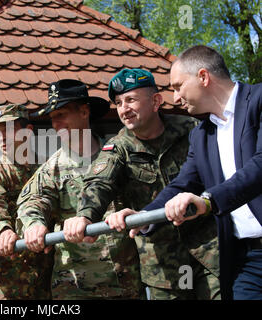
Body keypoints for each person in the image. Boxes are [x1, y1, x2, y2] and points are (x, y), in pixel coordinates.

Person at [112, 46, 262, 300]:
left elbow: (259, 166)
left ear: (203, 77)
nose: (175, 97)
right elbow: (183, 184)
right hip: (247, 257)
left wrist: (208, 201)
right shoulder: (201, 134)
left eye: (178, 86)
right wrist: (145, 215)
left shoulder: (259, 101)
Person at [73, 68, 220, 300]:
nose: (124, 109)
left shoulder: (191, 130)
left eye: (130, 100)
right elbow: (98, 183)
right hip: (163, 264)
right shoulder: (119, 147)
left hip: (210, 252)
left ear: (156, 101)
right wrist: (85, 216)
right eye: (119, 103)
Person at [17, 79, 143, 299]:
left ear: (84, 112)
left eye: (61, 115)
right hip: (73, 284)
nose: (56, 124)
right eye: (52, 118)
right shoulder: (52, 168)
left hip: (124, 280)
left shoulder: (121, 155)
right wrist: (34, 224)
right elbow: (32, 201)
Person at [0, 104, 53, 300]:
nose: (2, 138)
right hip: (8, 283)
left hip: (48, 278)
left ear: (28, 131)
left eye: (9, 130)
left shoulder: (47, 168)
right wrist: (2, 230)